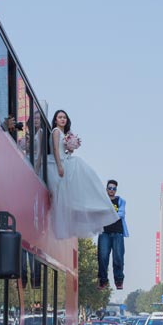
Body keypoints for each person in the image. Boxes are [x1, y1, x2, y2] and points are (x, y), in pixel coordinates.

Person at [46, 110, 120, 240]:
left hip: (66, 161)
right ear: (56, 120)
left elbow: (64, 150)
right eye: (60, 117)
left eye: (64, 117)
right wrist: (59, 166)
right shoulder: (56, 131)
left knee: (81, 178)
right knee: (80, 167)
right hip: (59, 163)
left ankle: (94, 206)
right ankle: (93, 205)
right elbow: (56, 150)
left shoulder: (64, 133)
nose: (62, 119)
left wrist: (70, 148)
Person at [98, 179, 129, 290]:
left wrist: (108, 214)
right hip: (104, 232)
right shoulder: (101, 200)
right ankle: (102, 281)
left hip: (117, 233)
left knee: (118, 257)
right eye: (110, 188)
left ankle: (119, 280)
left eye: (114, 188)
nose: (112, 190)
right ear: (106, 189)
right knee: (102, 257)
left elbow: (121, 214)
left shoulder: (121, 201)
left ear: (116, 190)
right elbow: (98, 212)